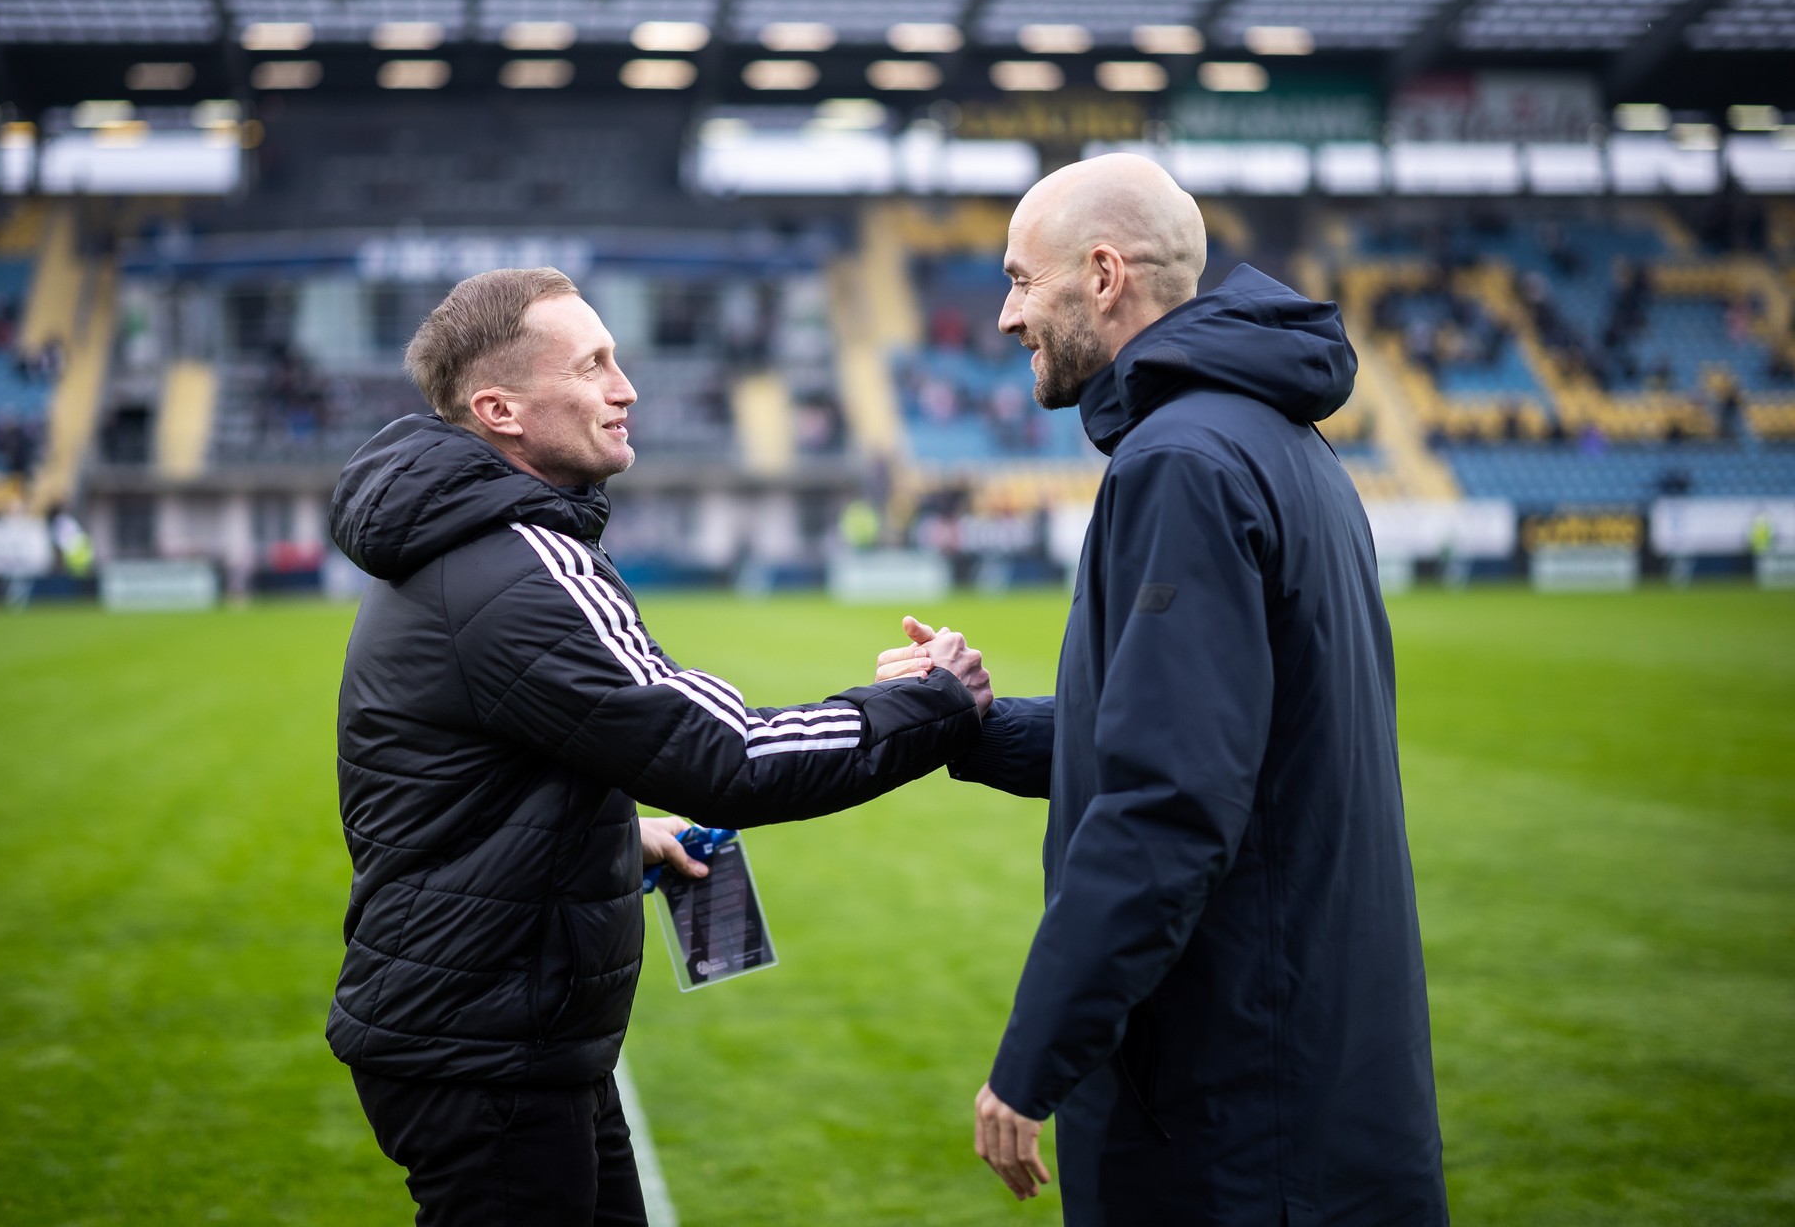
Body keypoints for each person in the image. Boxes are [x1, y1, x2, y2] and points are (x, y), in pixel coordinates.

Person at [327, 267, 991, 1226]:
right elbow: (726, 755)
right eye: (592, 365)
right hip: (488, 1047)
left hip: (492, 1029)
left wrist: (608, 834)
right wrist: (930, 705)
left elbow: (467, 779)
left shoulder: (471, 545)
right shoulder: (517, 565)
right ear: (500, 410)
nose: (626, 387)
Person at [879, 155, 1447, 1224]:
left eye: (1021, 280)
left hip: (1233, 1101)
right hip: (1311, 1066)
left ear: (1103, 276)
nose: (1006, 316)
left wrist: (1035, 1055)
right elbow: (1207, 745)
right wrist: (970, 724)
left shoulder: (1180, 461)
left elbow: (1171, 800)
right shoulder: (1277, 439)